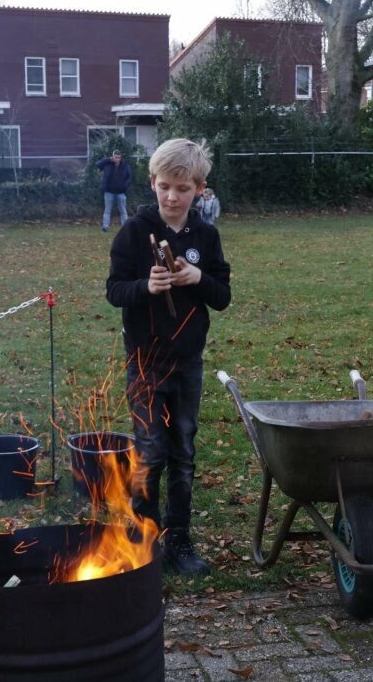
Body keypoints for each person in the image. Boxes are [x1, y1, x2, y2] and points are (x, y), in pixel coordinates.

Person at [106, 138, 231, 576]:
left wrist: (198, 277)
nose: (173, 197)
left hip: (187, 364)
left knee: (182, 451)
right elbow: (114, 290)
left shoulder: (206, 237)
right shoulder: (133, 233)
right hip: (145, 362)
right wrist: (146, 286)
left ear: (199, 188)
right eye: (165, 187)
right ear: (152, 183)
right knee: (150, 451)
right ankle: (143, 540)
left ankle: (178, 538)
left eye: (183, 188)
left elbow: (222, 296)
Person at [96, 150, 133, 232]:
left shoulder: (125, 165)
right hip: (109, 192)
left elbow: (129, 177)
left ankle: (125, 227)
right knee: (107, 210)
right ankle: (105, 227)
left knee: (123, 211)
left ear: (120, 158)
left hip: (121, 192)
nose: (117, 159)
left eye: (119, 158)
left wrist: (125, 186)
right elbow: (98, 164)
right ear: (112, 157)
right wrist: (108, 159)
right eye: (115, 157)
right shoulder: (107, 164)